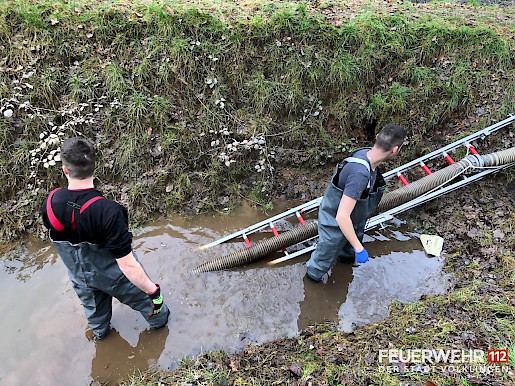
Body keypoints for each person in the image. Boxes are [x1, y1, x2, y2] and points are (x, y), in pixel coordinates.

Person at [41, 137, 170, 339]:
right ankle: (161, 333)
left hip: (80, 278)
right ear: (94, 167)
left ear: (65, 170)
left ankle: (103, 341)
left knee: (97, 324)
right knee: (157, 311)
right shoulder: (109, 212)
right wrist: (154, 293)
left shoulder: (51, 201)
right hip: (116, 278)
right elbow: (128, 265)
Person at [306, 124, 407, 282]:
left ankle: (345, 266)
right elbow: (342, 217)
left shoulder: (366, 155)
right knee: (320, 264)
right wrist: (360, 249)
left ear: (377, 137)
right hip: (335, 223)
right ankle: (311, 286)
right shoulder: (359, 174)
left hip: (355, 220)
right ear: (395, 150)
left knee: (348, 253)